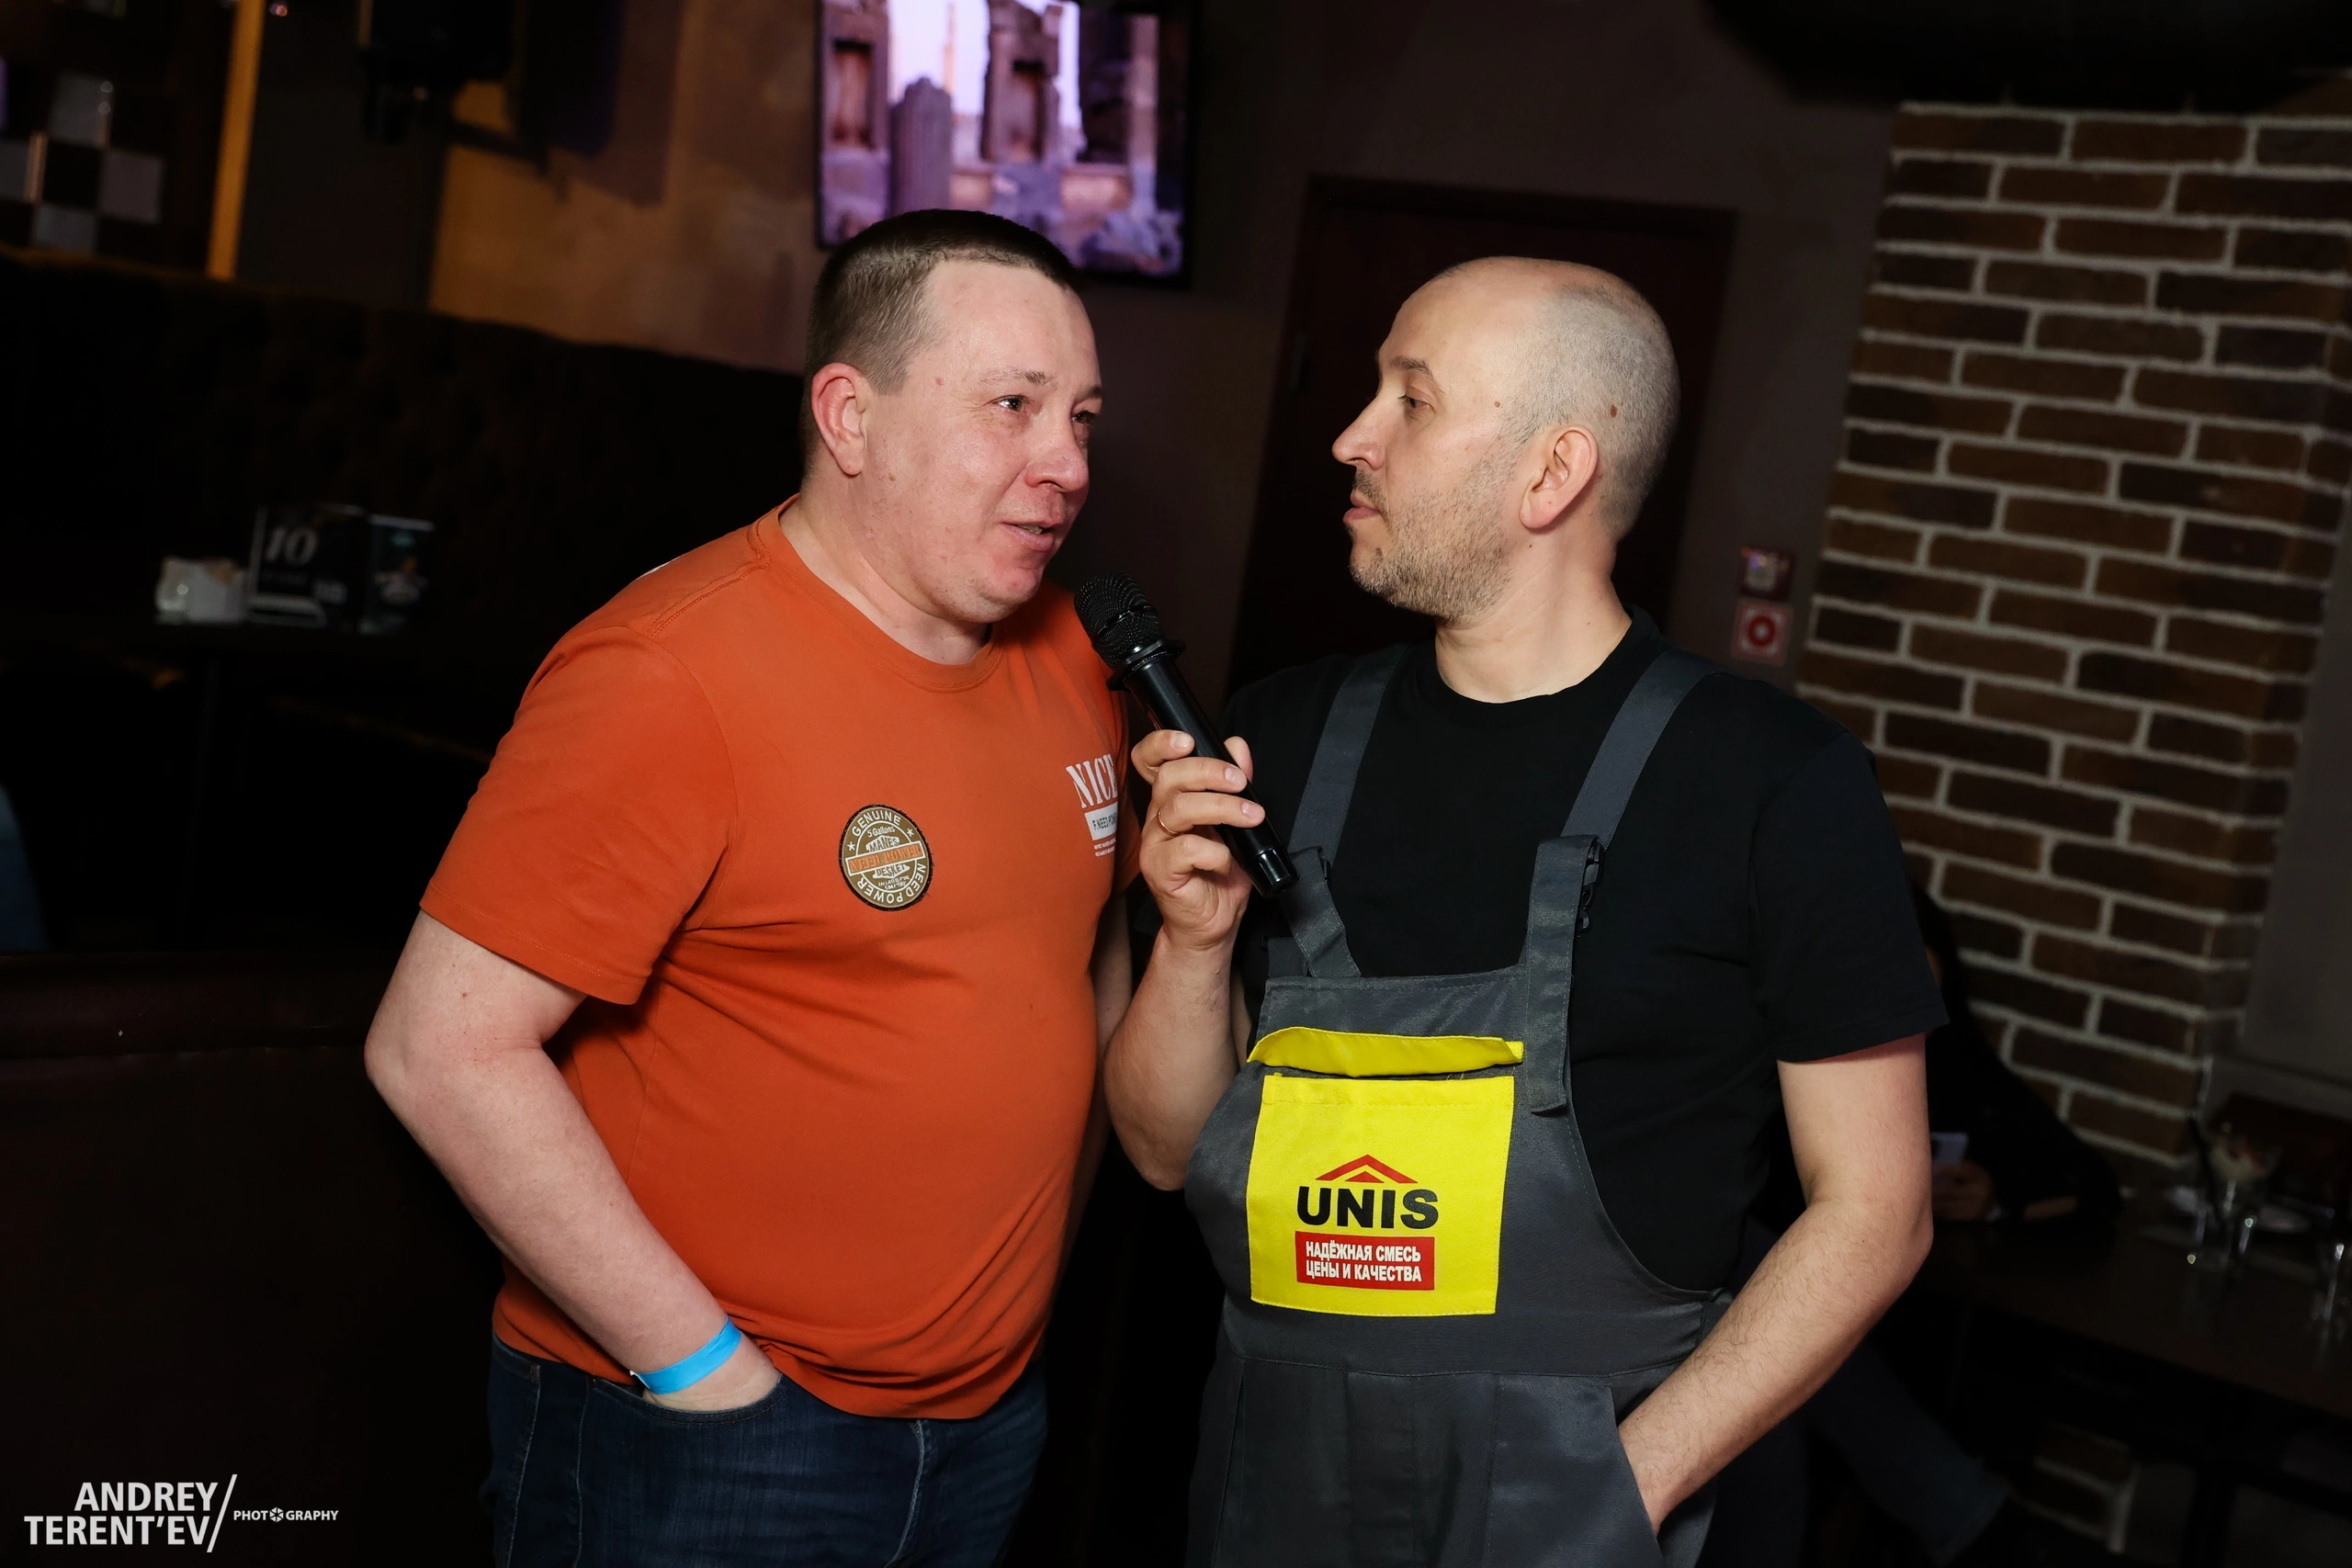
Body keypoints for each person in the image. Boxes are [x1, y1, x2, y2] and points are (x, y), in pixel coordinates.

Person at [1103, 257, 1947, 1568]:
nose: (1352, 435)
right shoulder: (1279, 736)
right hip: (1271, 1481)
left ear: (1553, 473)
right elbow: (1163, 1153)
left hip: (1587, 1506)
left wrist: (1622, 1490)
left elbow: (1877, 1210)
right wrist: (1196, 943)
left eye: (1412, 398)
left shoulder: (1772, 782)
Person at [365, 209, 1131, 1568]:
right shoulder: (668, 673)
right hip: (713, 1435)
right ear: (850, 415)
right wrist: (708, 1377)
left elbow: (1082, 972)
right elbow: (439, 1046)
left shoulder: (1076, 652)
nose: (1065, 463)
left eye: (1080, 416)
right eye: (1011, 405)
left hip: (986, 1424)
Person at [1703, 886, 2125, 1568]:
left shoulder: (1957, 1064)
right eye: (1893, 998)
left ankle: (1968, 1518)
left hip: (1904, 1324)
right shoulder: (1789, 1066)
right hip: (1770, 1299)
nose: (1906, 1023)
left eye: (1925, 1000)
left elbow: (2092, 1186)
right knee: (1793, 1350)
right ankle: (1974, 1520)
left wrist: (1996, 1200)